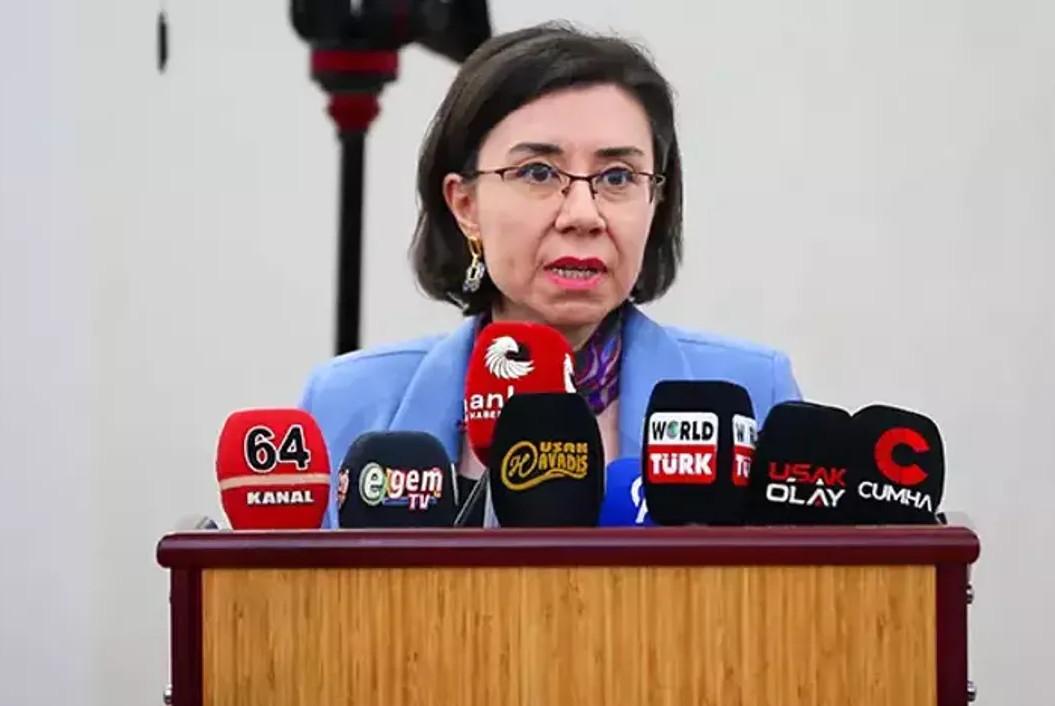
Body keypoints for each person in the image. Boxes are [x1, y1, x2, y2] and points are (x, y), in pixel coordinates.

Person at [298, 21, 803, 527]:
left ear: (656, 200)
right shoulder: (347, 401)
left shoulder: (754, 392)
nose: (583, 215)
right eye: (538, 172)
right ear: (465, 205)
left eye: (618, 177)